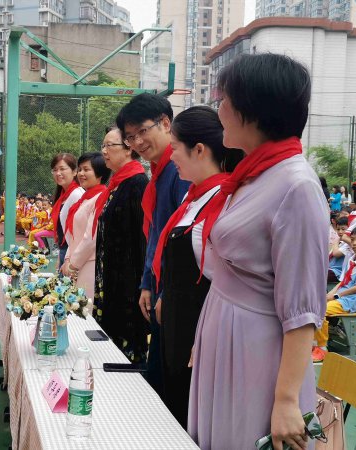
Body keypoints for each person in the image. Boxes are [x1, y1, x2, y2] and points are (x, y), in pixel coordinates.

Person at [188, 53, 329, 450]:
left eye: (224, 101)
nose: (219, 110)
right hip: (229, 336)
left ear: (253, 109)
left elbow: (302, 309)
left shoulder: (296, 185)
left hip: (258, 351)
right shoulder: (254, 174)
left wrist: (286, 401)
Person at [151, 106, 244, 427]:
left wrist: (207, 337)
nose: (171, 155)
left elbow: (227, 282)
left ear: (200, 150)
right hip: (177, 325)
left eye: (175, 147)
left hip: (196, 331)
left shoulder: (224, 200)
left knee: (188, 416)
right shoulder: (194, 198)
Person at [116, 93, 189, 394]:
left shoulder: (180, 171)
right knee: (158, 370)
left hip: (175, 293)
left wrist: (168, 290)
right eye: (130, 138)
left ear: (165, 123)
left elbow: (182, 242)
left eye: (142, 132)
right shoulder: (160, 174)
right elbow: (156, 237)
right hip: (159, 286)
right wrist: (148, 283)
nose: (137, 143)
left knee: (168, 377)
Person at [94, 126, 149, 362]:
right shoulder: (117, 184)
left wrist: (138, 285)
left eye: (110, 145)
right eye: (103, 145)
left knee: (125, 348)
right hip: (110, 279)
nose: (104, 151)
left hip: (127, 285)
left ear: (129, 149)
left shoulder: (136, 184)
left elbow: (141, 239)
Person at [313, 226, 356, 362]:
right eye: (353, 240)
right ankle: (314, 343)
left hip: (351, 301)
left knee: (320, 311)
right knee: (314, 305)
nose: (354, 243)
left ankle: (322, 347)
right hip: (342, 298)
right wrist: (330, 294)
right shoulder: (352, 258)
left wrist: (336, 296)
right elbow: (343, 282)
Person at [62, 152, 111, 299]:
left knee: (85, 309)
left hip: (90, 263)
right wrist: (67, 259)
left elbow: (91, 237)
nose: (81, 174)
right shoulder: (85, 198)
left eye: (86, 169)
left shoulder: (101, 197)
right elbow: (74, 233)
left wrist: (73, 264)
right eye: (80, 169)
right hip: (77, 263)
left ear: (100, 172)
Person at [50, 153, 84, 267]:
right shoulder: (62, 196)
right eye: (54, 170)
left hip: (73, 253)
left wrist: (70, 258)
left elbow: (80, 231)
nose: (58, 173)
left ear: (75, 172)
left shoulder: (77, 195)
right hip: (64, 250)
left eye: (62, 169)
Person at [329, 215, 350, 282]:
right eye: (338, 229)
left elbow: (336, 254)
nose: (340, 232)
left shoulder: (348, 243)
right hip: (330, 269)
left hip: (337, 272)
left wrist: (336, 241)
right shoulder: (340, 242)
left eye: (343, 229)